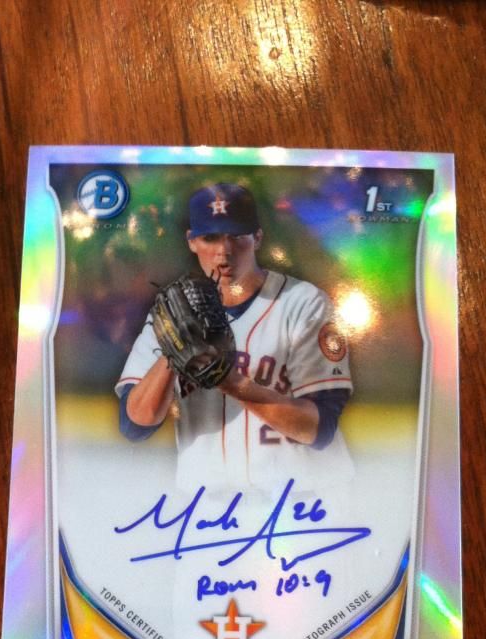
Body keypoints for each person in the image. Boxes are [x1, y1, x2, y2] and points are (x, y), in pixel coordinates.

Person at [115, 183, 354, 495]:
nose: (224, 251)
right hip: (206, 508)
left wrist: (227, 379)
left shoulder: (303, 303)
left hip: (303, 502)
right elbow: (134, 425)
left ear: (257, 238)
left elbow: (319, 429)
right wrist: (173, 355)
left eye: (236, 236)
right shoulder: (169, 316)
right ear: (191, 241)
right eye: (210, 237)